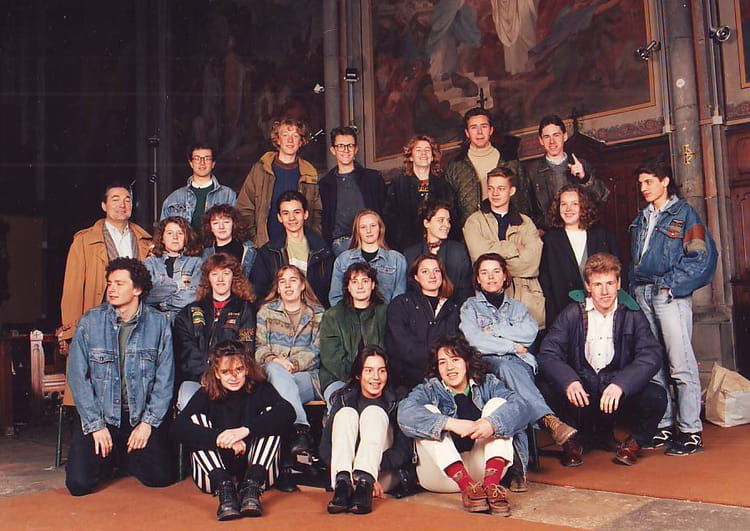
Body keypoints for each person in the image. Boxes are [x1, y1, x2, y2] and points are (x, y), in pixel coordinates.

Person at [538, 253, 667, 467]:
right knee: (544, 389)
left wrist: (622, 384)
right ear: (588, 286)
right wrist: (569, 381)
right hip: (582, 393)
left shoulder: (632, 314)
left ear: (619, 284)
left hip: (614, 393)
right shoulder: (572, 313)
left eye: (610, 283)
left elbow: (651, 354)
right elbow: (548, 353)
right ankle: (571, 442)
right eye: (598, 284)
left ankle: (633, 444)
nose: (605, 291)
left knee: (656, 396)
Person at [460, 253, 577, 482]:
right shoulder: (470, 308)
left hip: (521, 365)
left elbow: (530, 334)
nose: (491, 277)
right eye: (485, 273)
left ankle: (519, 470)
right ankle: (548, 419)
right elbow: (473, 340)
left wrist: (494, 332)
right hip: (488, 366)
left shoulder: (518, 307)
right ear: (477, 279)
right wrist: (512, 345)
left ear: (505, 276)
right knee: (505, 366)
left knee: (512, 380)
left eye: (496, 271)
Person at [629, 162, 718, 456]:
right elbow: (635, 261)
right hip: (642, 293)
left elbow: (702, 257)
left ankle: (690, 432)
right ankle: (664, 425)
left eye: (649, 181)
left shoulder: (684, 214)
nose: (643, 188)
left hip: (669, 294)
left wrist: (670, 285)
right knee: (654, 364)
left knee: (681, 364)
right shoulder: (641, 218)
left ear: (665, 181)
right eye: (641, 183)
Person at [65, 258, 173, 496]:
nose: (111, 289)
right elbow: (77, 377)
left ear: (137, 289)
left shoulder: (158, 323)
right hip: (102, 417)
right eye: (110, 283)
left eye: (119, 283)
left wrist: (147, 424)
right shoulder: (90, 322)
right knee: (79, 484)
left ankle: (120, 457)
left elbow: (165, 380)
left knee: (160, 478)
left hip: (139, 418)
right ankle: (113, 456)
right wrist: (96, 426)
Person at [398, 335, 535, 515]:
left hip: (484, 472)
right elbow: (404, 414)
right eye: (442, 362)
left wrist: (491, 424)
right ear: (437, 367)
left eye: (455, 359)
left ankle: (492, 488)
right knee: (427, 413)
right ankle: (467, 487)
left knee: (498, 405)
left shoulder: (487, 383)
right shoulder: (429, 389)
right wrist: (449, 423)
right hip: (442, 477)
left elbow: (522, 407)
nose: (449, 367)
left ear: (467, 361)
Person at [171, 340, 295, 520]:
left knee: (272, 415)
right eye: (225, 372)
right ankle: (226, 491)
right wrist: (219, 437)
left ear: (246, 369)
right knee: (196, 420)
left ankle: (251, 490)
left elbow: (288, 412)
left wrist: (245, 431)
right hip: (214, 474)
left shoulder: (260, 389)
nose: (234, 377)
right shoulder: (206, 394)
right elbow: (177, 428)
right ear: (216, 373)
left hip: (258, 472)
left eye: (238, 369)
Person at [320, 347, 412, 515]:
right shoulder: (344, 398)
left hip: (383, 472)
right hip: (347, 473)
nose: (376, 377)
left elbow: (403, 451)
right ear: (358, 374)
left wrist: (370, 467)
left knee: (374, 412)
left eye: (381, 371)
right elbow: (325, 448)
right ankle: (343, 485)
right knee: (346, 414)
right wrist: (352, 471)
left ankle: (365, 483)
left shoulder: (396, 400)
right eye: (369, 370)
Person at [60, 183, 152, 345]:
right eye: (115, 200)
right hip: (98, 321)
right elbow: (72, 289)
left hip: (137, 321)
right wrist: (71, 332)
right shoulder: (84, 241)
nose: (122, 205)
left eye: (127, 200)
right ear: (104, 205)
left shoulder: (145, 241)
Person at [255, 265, 325, 456]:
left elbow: (317, 349)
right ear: (277, 288)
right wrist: (276, 361)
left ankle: (283, 461)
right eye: (282, 282)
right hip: (271, 373)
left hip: (306, 377)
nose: (288, 286)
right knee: (274, 370)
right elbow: (258, 347)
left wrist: (293, 364)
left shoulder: (318, 314)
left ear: (302, 285)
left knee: (274, 403)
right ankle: (301, 430)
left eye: (293, 280)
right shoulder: (266, 312)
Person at [463, 167, 545, 327]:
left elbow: (532, 263)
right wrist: (513, 248)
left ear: (511, 191)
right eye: (491, 188)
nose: (495, 193)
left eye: (501, 188)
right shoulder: (474, 222)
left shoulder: (526, 223)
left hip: (525, 298)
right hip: (489, 301)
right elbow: (479, 257)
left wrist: (493, 263)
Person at [173, 253, 256, 410]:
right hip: (197, 379)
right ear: (207, 279)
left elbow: (246, 348)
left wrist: (224, 373)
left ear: (234, 277)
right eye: (215, 274)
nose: (220, 279)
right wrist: (207, 373)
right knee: (187, 399)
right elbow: (185, 350)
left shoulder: (245, 309)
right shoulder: (190, 311)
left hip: (232, 379)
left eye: (226, 273)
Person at [539, 184, 618, 329]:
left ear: (584, 206)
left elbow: (616, 273)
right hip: (565, 314)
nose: (568, 209)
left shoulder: (602, 236)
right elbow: (546, 283)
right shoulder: (549, 241)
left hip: (602, 313)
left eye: (574, 204)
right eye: (563, 204)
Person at [235, 117, 322, 247]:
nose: (290, 140)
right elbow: (244, 207)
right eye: (285, 135)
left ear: (301, 141)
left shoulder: (309, 173)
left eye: (295, 136)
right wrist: (256, 239)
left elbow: (316, 213)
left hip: (299, 245)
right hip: (266, 245)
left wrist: (312, 241)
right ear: (277, 139)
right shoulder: (261, 169)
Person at [386, 254, 461, 393]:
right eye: (425, 271)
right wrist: (434, 363)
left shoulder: (453, 308)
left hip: (444, 379)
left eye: (436, 270)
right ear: (416, 277)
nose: (432, 275)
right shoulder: (401, 304)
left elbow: (455, 345)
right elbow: (400, 346)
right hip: (408, 382)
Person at [444, 107, 530, 228]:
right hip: (471, 232)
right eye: (474, 127)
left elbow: (524, 200)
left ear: (491, 130)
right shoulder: (455, 167)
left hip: (510, 229)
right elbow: (450, 208)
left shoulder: (510, 161)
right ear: (467, 133)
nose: (479, 132)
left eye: (484, 126)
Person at [320, 262, 387, 406]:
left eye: (365, 281)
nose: (360, 286)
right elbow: (331, 357)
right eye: (354, 282)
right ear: (348, 287)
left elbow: (388, 350)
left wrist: (371, 377)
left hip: (376, 378)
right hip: (338, 378)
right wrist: (357, 379)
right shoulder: (332, 315)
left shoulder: (385, 313)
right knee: (343, 405)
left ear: (373, 285)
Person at [250, 190, 333, 306]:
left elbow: (330, 291)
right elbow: (258, 291)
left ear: (305, 214)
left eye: (297, 212)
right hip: (279, 313)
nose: (291, 218)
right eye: (286, 213)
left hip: (316, 312)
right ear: (279, 217)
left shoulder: (323, 251)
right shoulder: (268, 252)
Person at [528, 115, 610, 231]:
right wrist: (537, 230)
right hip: (549, 234)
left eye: (556, 135)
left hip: (580, 230)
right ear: (541, 140)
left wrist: (584, 178)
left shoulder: (581, 165)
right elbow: (527, 209)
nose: (552, 141)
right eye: (547, 137)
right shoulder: (532, 171)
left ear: (565, 136)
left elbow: (602, 197)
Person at [319, 126, 387, 256]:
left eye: (350, 145)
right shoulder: (325, 184)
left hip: (372, 239)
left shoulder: (372, 178)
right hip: (341, 243)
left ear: (356, 149)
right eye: (341, 146)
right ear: (333, 150)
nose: (346, 150)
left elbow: (384, 211)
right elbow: (324, 220)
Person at [383, 135, 455, 251]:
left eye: (427, 150)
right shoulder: (398, 184)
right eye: (418, 150)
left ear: (433, 156)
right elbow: (390, 219)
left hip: (438, 248)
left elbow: (452, 218)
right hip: (407, 247)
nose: (423, 153)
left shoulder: (443, 185)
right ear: (411, 157)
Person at [328, 209, 407, 306]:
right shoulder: (343, 260)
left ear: (380, 228)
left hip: (386, 315)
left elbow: (399, 299)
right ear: (357, 231)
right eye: (363, 227)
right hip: (351, 315)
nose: (368, 231)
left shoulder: (397, 259)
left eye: (373, 226)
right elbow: (336, 297)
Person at [404, 199, 473, 304]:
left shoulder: (458, 252)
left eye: (448, 221)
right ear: (426, 223)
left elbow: (465, 291)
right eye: (441, 220)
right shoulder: (410, 254)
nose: (447, 225)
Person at [160, 144, 237, 233]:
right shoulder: (174, 198)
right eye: (197, 158)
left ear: (213, 163)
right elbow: (163, 233)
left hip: (216, 242)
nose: (202, 162)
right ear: (191, 163)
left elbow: (236, 230)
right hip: (186, 243)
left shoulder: (228, 195)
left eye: (207, 158)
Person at [143, 216, 204, 323]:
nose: (175, 237)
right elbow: (147, 296)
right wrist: (178, 286)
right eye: (170, 233)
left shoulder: (197, 263)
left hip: (186, 320)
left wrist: (163, 302)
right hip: (154, 320)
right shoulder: (149, 263)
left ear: (187, 237)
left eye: (180, 233)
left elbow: (194, 297)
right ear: (162, 238)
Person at [201, 203, 257, 279]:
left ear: (234, 224)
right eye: (216, 223)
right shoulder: (205, 254)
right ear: (210, 227)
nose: (221, 227)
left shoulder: (248, 250)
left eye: (226, 222)